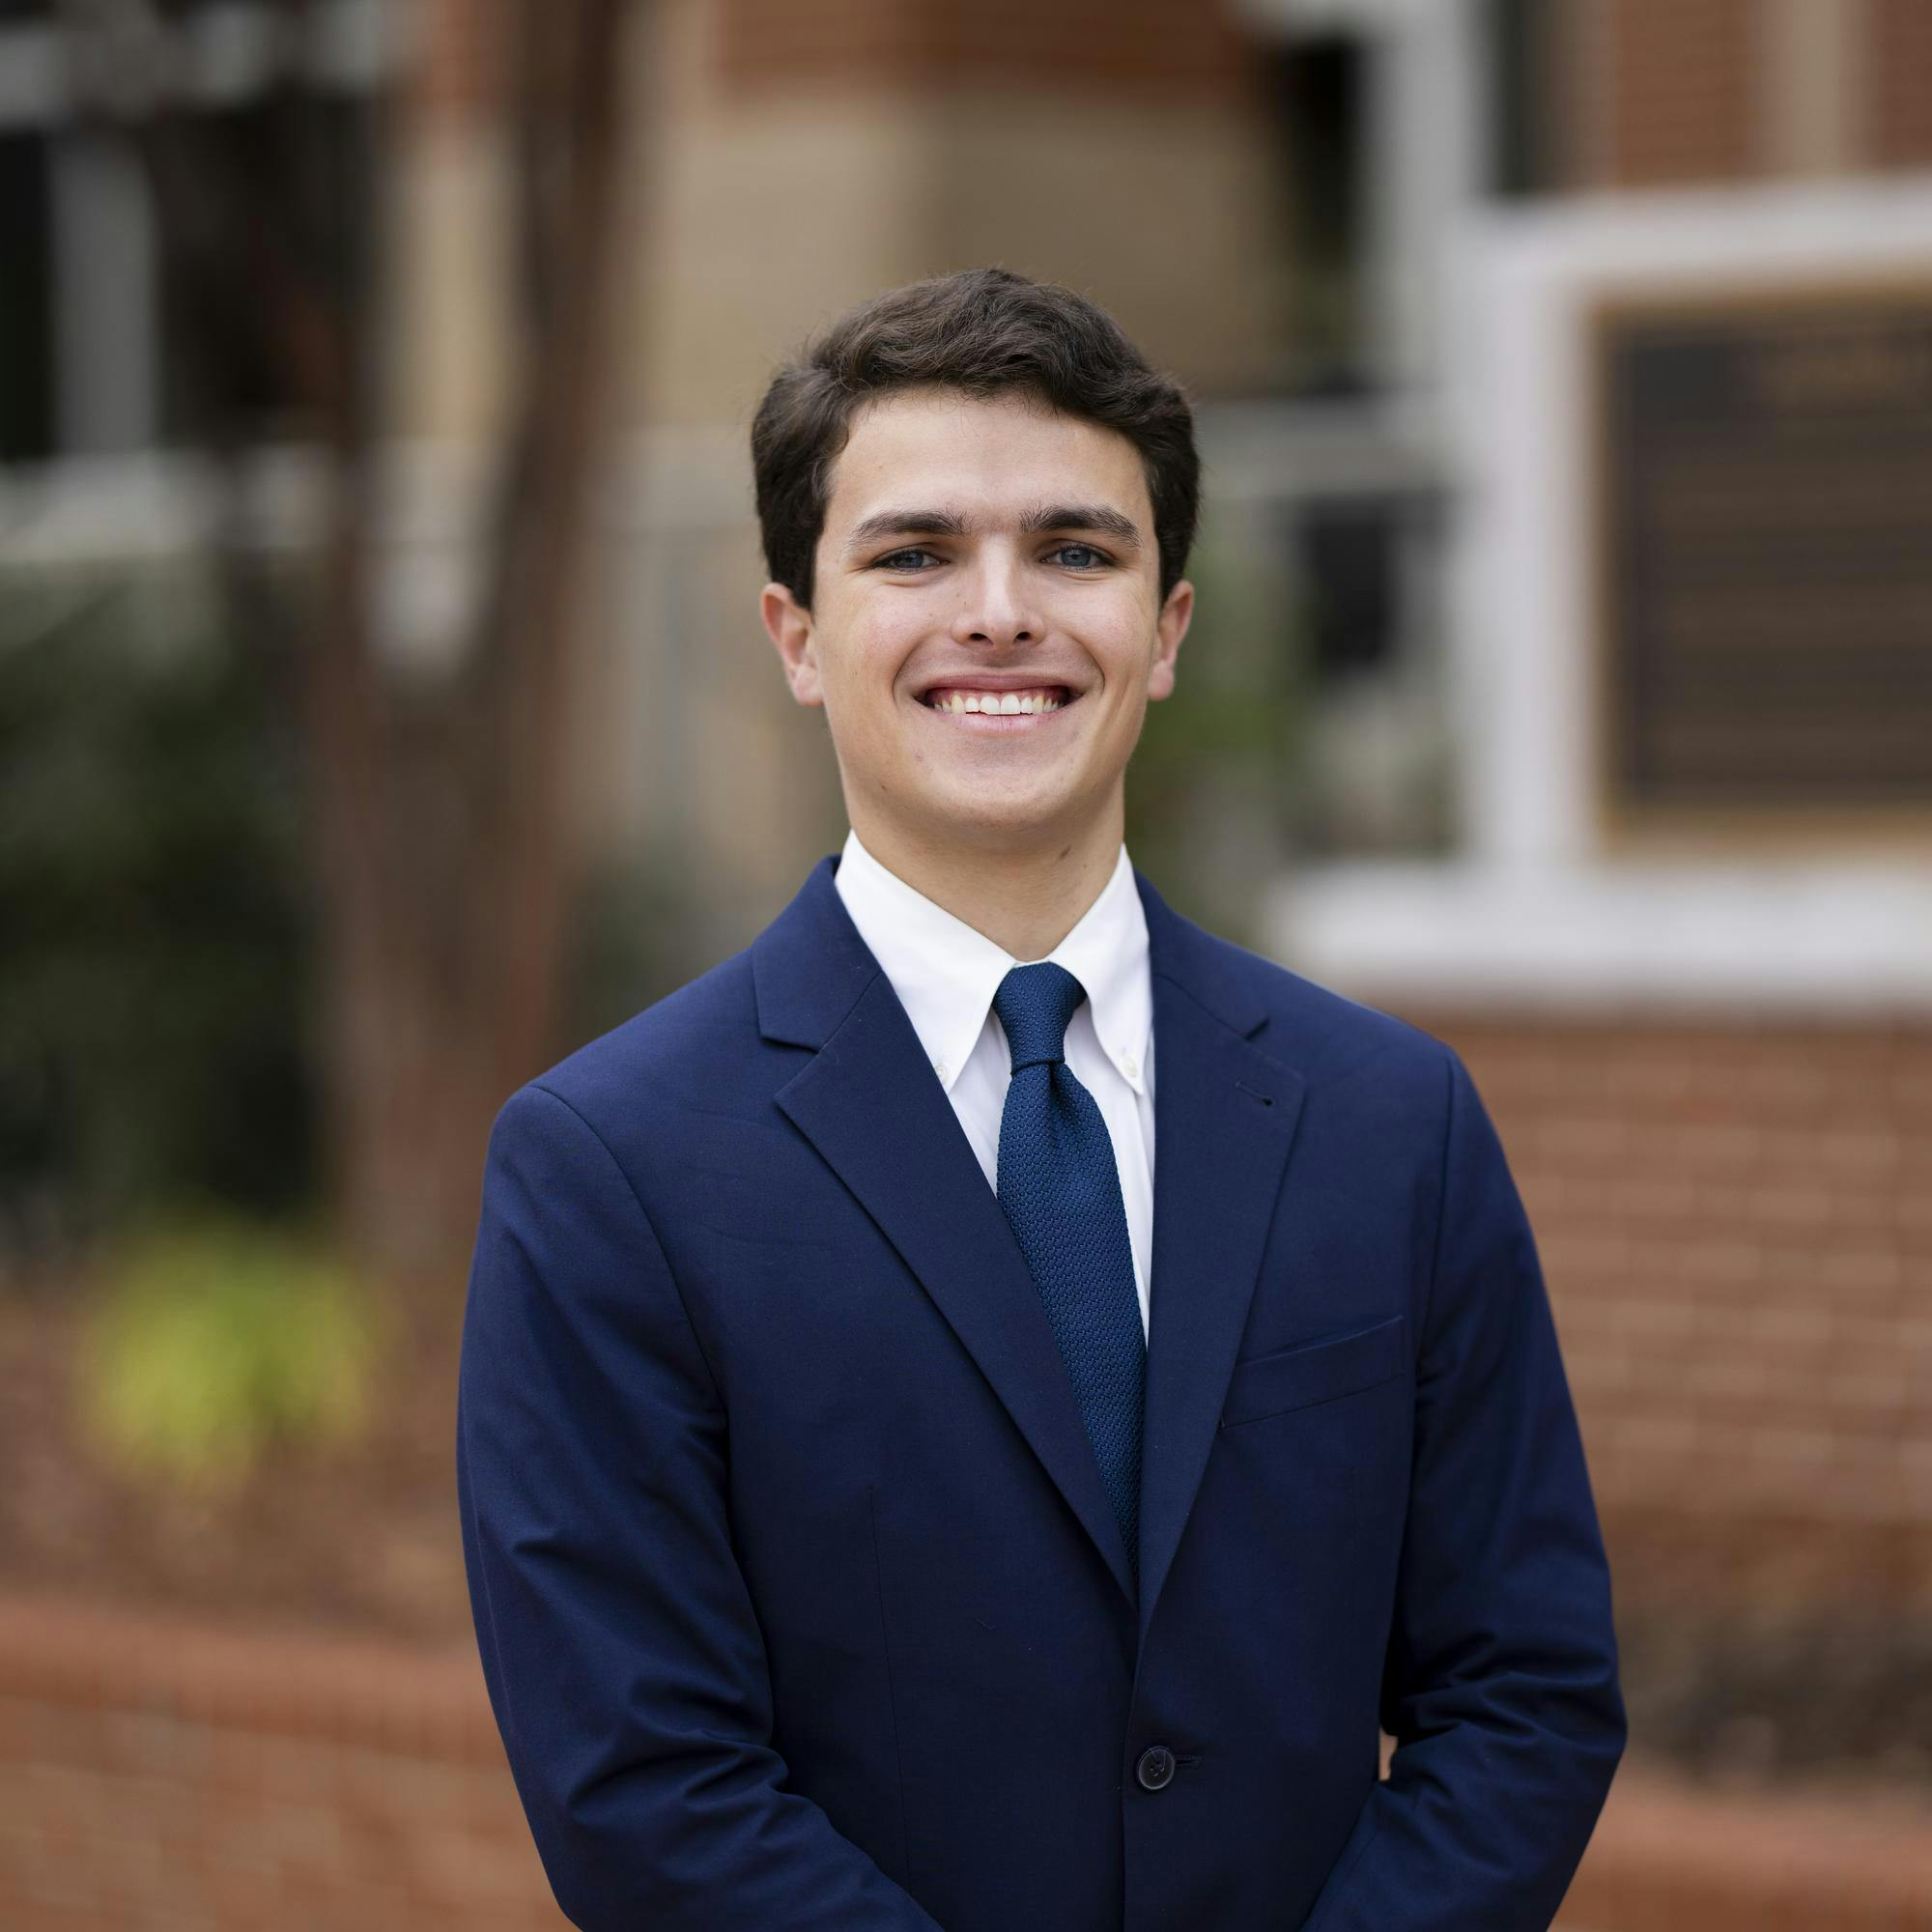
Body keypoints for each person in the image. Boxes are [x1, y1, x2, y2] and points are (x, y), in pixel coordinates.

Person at [455, 266, 1625, 1932]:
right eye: (915, 554)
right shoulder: (610, 1171)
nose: (1001, 613)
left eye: (1076, 551)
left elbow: (1525, 1695)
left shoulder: (1392, 1124)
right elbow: (642, 1786)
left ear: (1167, 630)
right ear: (798, 636)